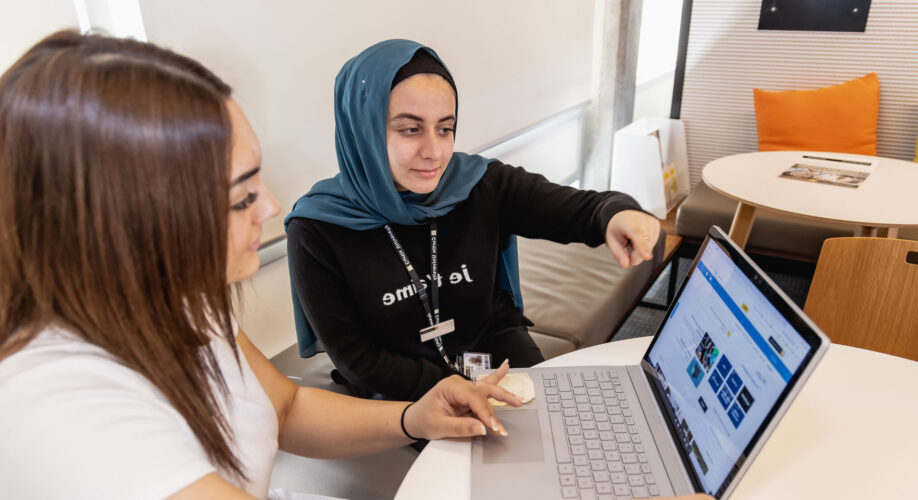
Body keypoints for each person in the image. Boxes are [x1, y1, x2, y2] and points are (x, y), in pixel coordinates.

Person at [0, 31, 523, 500]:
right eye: (240, 197)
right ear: (129, 221)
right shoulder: (58, 407)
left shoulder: (180, 303)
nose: (271, 207)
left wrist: (414, 416)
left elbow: (287, 408)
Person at [286, 40, 662, 401]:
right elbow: (358, 360)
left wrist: (618, 212)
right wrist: (457, 389)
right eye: (410, 129)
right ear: (363, 130)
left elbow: (580, 210)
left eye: (445, 128)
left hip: (491, 350)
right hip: (403, 385)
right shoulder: (318, 228)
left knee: (554, 431)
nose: (434, 152)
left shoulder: (478, 184)